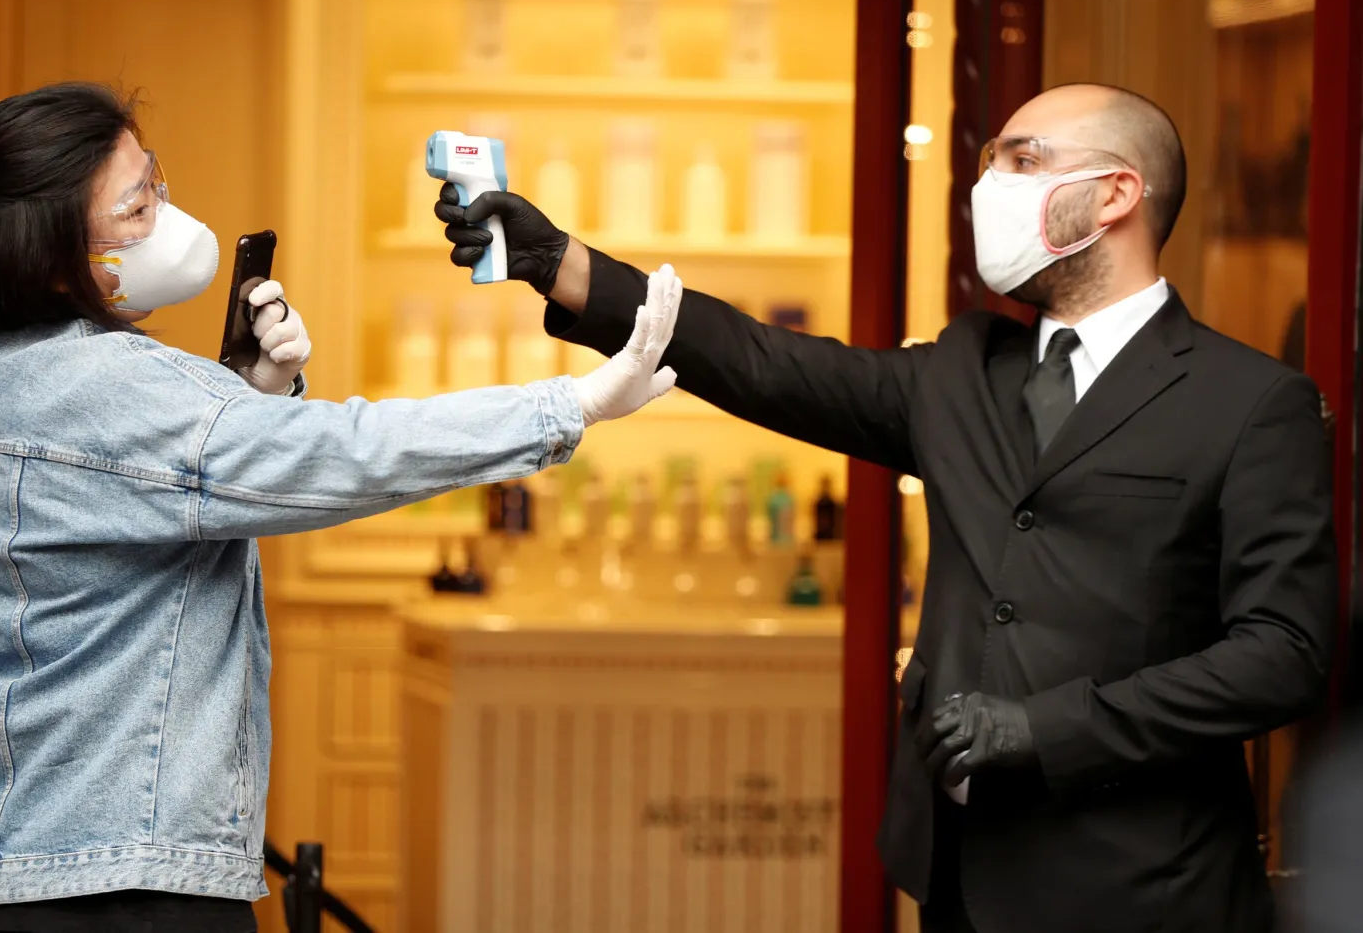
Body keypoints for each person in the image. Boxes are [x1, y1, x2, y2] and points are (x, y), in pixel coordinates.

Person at [436, 82, 1336, 933]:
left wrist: (1046, 724)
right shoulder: (964, 371)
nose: (991, 186)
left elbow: (1283, 655)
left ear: (1115, 194)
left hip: (1148, 888)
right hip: (960, 875)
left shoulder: (1251, 402)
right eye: (990, 162)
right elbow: (760, 361)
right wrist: (559, 263)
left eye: (1021, 162)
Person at [0, 82, 684, 933]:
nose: (169, 218)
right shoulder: (110, 384)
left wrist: (247, 397)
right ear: (49, 258)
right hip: (108, 882)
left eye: (156, 182)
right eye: (137, 207)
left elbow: (129, 497)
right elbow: (348, 453)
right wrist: (572, 404)